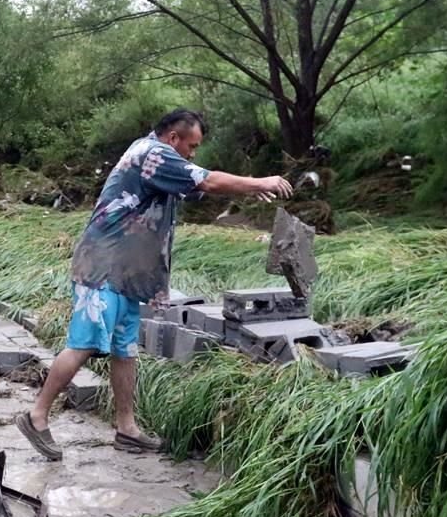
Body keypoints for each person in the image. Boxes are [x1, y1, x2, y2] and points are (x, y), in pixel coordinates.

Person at [15, 108, 294, 460]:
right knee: (84, 344)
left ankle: (127, 428)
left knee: (125, 349)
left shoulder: (160, 160)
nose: (193, 153)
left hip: (127, 274)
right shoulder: (153, 154)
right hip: (103, 267)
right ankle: (36, 416)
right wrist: (261, 182)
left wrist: (248, 188)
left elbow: (202, 188)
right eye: (191, 146)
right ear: (173, 137)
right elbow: (207, 180)